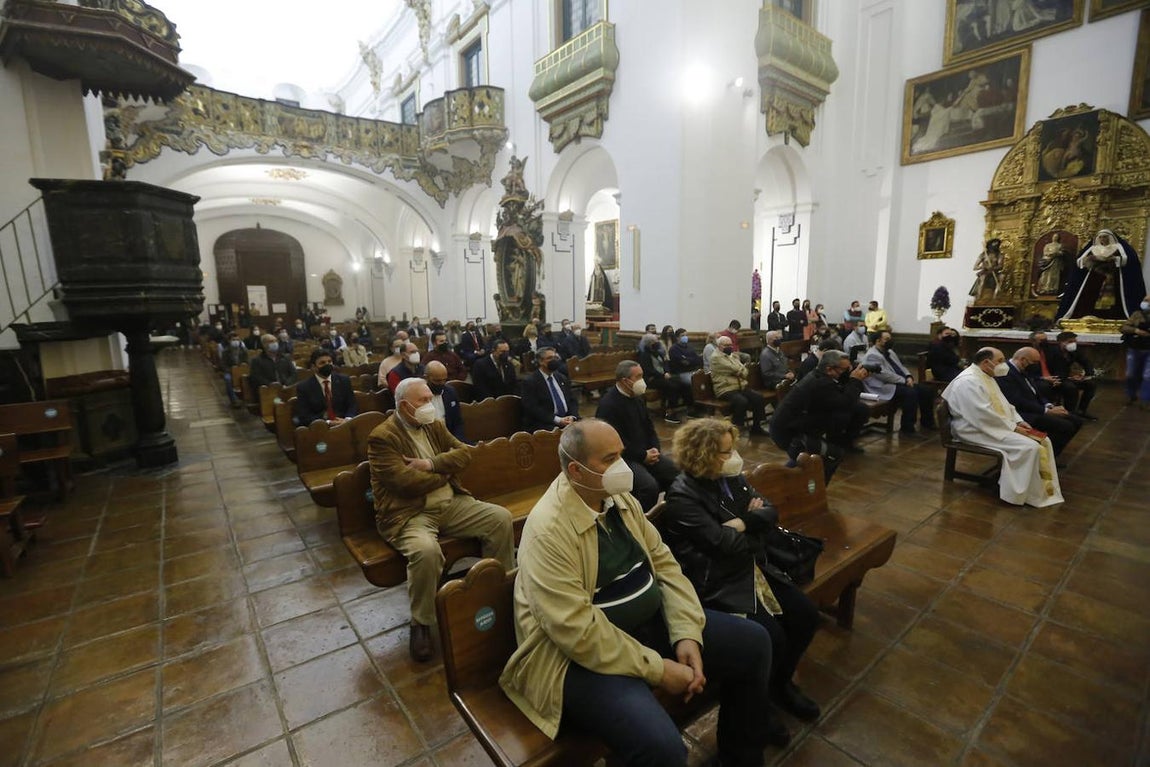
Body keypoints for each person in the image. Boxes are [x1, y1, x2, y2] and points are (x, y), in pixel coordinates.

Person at [500, 419, 782, 766]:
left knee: (754, 643)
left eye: (621, 454)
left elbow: (664, 564)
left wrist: (686, 633)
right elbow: (575, 631)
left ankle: (741, 758)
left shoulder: (618, 499)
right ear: (576, 469)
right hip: (577, 657)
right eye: (610, 458)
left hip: (646, 624)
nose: (622, 465)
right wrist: (659, 670)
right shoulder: (549, 530)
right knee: (660, 747)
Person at [661, 418, 821, 736]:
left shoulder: (729, 478)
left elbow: (770, 512)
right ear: (703, 454)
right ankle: (758, 705)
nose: (734, 456)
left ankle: (779, 685)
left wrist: (743, 522)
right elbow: (723, 545)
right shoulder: (683, 495)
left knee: (805, 615)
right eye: (725, 451)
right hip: (718, 581)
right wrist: (752, 523)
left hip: (751, 566)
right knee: (771, 636)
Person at [368, 377, 513, 661]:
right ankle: (421, 622)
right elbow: (404, 483)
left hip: (450, 504)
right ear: (404, 406)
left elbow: (464, 454)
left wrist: (432, 464)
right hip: (410, 514)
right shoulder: (383, 437)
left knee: (499, 518)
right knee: (426, 552)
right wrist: (444, 472)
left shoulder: (433, 425)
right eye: (423, 400)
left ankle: (498, 591)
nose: (430, 404)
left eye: (430, 398)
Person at [941, 348, 1063, 507]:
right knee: (1030, 447)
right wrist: (1013, 427)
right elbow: (981, 415)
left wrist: (1018, 421)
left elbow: (1006, 405)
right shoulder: (968, 381)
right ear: (986, 362)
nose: (1004, 364)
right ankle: (1017, 494)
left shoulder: (986, 376)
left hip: (991, 425)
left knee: (1043, 440)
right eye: (1000, 361)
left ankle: (1038, 491)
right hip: (972, 429)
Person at [595, 361, 678, 511]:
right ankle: (641, 521)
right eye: (638, 376)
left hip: (645, 453)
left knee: (675, 473)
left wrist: (655, 448)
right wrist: (642, 455)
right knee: (649, 487)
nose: (642, 381)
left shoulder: (637, 398)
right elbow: (615, 442)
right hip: (623, 457)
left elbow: (649, 427)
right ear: (625, 381)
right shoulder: (608, 405)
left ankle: (670, 513)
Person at [770, 351, 870, 475]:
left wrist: (851, 378)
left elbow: (840, 394)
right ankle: (812, 489)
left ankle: (794, 482)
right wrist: (855, 381)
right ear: (829, 369)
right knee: (833, 456)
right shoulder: (819, 383)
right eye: (845, 369)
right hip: (789, 433)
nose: (848, 372)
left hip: (796, 428)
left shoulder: (820, 376)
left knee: (807, 460)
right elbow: (845, 403)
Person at [996, 348, 1082, 458]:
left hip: (1036, 407)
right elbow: (1016, 400)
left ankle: (1049, 454)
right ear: (1023, 360)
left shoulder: (1023, 369)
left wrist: (1049, 405)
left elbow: (1035, 392)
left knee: (1076, 420)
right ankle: (1044, 458)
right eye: (1035, 362)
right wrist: (1046, 411)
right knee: (1065, 426)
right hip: (1022, 413)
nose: (1036, 365)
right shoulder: (1005, 372)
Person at [1057, 229, 1147, 321]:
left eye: (1104, 237)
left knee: (1115, 302)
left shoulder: (1119, 247)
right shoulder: (1093, 248)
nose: (1102, 239)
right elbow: (1079, 262)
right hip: (1093, 278)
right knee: (1088, 298)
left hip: (1113, 278)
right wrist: (1091, 259)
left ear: (1110, 238)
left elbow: (1128, 261)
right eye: (1100, 237)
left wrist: (1112, 259)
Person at [860, 331, 936, 434]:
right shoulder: (872, 355)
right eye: (887, 339)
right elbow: (884, 375)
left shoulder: (890, 352)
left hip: (896, 382)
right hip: (882, 386)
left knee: (926, 390)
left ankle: (927, 422)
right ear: (878, 341)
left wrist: (908, 376)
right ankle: (907, 427)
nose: (890, 341)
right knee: (910, 393)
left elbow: (900, 366)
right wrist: (904, 381)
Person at [711, 336, 767, 436]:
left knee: (758, 398)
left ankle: (756, 427)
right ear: (719, 346)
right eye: (726, 345)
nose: (729, 347)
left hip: (739, 386)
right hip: (724, 388)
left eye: (730, 345)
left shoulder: (731, 355)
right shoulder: (716, 357)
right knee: (741, 401)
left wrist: (740, 371)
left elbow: (744, 370)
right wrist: (740, 370)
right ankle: (736, 428)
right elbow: (735, 368)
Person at [520, 347, 579, 432]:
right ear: (540, 361)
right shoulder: (530, 382)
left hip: (567, 419)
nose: (554, 360)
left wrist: (572, 416)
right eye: (550, 358)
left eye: (555, 358)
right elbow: (533, 408)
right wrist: (558, 420)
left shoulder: (561, 378)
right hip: (545, 423)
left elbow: (572, 400)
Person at [638, 334, 693, 424]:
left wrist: (666, 372)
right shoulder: (644, 355)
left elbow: (665, 363)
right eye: (655, 341)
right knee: (672, 386)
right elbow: (648, 369)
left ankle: (688, 407)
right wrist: (663, 375)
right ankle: (670, 413)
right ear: (650, 343)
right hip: (652, 379)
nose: (658, 343)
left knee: (683, 383)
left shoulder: (658, 352)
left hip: (663, 376)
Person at [295, 349, 358, 425]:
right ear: (313, 367)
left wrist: (348, 419)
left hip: (344, 423)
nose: (327, 365)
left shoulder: (344, 380)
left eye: (329, 361)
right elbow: (304, 416)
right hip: (320, 428)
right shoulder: (304, 387)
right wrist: (328, 422)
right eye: (322, 363)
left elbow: (352, 404)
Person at [1047, 332, 1097, 419]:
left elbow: (1086, 362)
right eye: (1070, 341)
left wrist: (1087, 375)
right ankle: (1069, 412)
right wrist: (1070, 377)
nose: (1073, 344)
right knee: (1070, 387)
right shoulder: (1053, 352)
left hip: (1067, 378)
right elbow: (1055, 370)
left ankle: (1081, 411)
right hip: (1055, 379)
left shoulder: (1073, 352)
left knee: (1091, 384)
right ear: (1061, 342)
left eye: (1074, 341)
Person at [424, 360, 466, 442]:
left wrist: (457, 441)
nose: (442, 384)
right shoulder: (418, 395)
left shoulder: (450, 392)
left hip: (450, 438)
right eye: (437, 381)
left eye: (444, 380)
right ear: (426, 378)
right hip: (428, 440)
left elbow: (457, 422)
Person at [1121, 295, 1150, 408]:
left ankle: (1146, 400)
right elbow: (1124, 327)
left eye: (1148, 301)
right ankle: (1131, 395)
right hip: (1135, 349)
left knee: (1148, 376)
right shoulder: (1136, 314)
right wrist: (1136, 330)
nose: (1146, 302)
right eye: (1145, 300)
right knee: (1130, 374)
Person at [219, 332, 249, 406]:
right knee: (228, 379)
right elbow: (223, 364)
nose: (236, 341)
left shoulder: (244, 350)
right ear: (229, 341)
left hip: (242, 370)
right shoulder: (226, 351)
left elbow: (247, 361)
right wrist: (231, 370)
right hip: (230, 371)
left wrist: (244, 365)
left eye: (237, 340)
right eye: (233, 340)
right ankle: (234, 400)